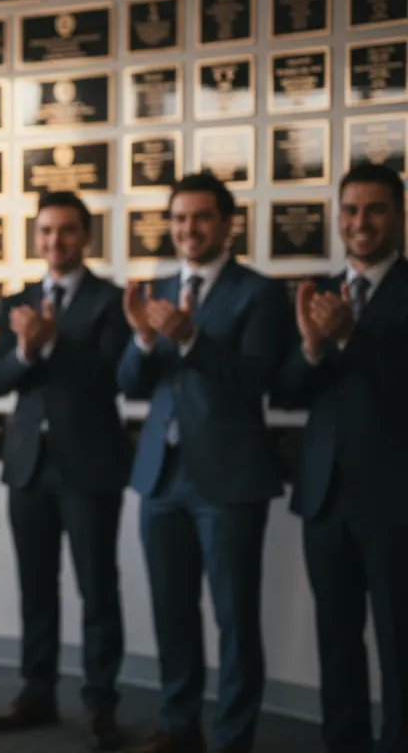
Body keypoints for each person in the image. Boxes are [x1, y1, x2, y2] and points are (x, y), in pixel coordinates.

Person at [118, 172, 289, 753]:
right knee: (172, 611)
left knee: (235, 620)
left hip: (228, 481)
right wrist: (143, 340)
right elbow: (129, 383)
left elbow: (258, 381)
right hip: (160, 477)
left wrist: (191, 339)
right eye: (180, 218)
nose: (188, 229)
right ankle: (179, 725)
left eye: (201, 218)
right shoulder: (158, 286)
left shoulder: (259, 293)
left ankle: (234, 738)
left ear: (226, 224)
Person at [0, 190, 130, 750]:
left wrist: (52, 346)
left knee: (98, 589)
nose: (55, 241)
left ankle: (100, 703)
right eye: (46, 231)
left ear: (85, 236)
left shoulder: (110, 300)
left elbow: (114, 376)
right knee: (35, 587)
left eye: (66, 230)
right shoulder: (16, 301)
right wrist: (25, 353)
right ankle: (36, 691)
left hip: (89, 469)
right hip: (28, 467)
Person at [270, 163, 408, 753]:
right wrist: (310, 346)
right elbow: (285, 393)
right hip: (325, 495)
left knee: (400, 645)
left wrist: (352, 338)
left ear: (399, 216)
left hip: (395, 500)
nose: (360, 223)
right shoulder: (315, 293)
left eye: (375, 209)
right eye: (350, 210)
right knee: (335, 638)